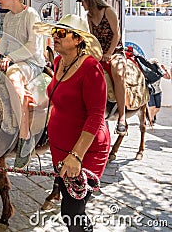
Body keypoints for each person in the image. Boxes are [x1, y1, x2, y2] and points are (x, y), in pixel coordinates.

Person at [35, 14, 110, 232]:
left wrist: (76, 155)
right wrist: (36, 106)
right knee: (71, 209)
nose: (55, 37)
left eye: (61, 33)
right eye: (54, 33)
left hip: (86, 151)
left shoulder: (91, 68)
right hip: (61, 149)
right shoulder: (58, 62)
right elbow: (58, 98)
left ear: (78, 40)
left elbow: (96, 115)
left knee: (71, 212)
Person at [0, 0, 46, 168]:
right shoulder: (8, 17)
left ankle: (24, 137)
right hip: (12, 59)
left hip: (31, 63)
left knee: (13, 77)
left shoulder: (31, 14)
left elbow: (33, 46)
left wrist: (10, 58)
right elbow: (5, 41)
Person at [77, 0, 128, 136]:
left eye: (83, 2)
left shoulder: (108, 11)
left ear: (90, 1)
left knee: (118, 73)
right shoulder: (89, 16)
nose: (82, 5)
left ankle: (122, 117)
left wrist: (109, 53)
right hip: (99, 52)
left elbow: (117, 33)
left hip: (115, 51)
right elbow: (93, 37)